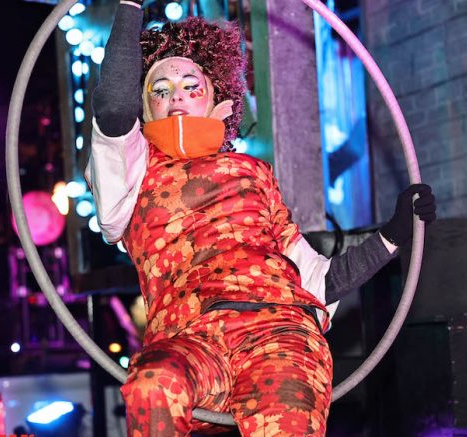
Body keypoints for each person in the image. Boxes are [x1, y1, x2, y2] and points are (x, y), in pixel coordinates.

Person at [85, 1, 437, 435]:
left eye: (190, 85)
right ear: (145, 110)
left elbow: (318, 281)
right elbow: (113, 108)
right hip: (190, 342)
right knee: (153, 383)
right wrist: (130, 6)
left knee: (286, 413)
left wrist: (393, 235)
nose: (175, 95)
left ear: (219, 102)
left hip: (277, 333)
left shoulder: (254, 174)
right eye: (159, 89)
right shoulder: (129, 173)